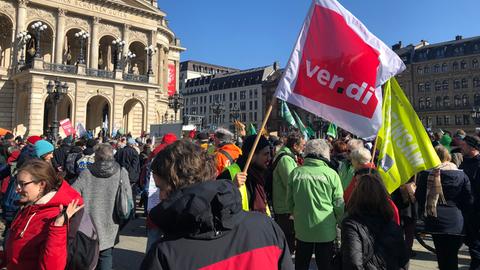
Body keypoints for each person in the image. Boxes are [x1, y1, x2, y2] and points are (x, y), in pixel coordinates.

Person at [141, 140, 293, 269]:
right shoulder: (267, 229)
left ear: (177, 186)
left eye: (161, 188)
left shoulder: (164, 254)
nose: (159, 197)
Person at [5, 159, 84, 269]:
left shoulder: (53, 215)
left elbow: (52, 267)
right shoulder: (29, 207)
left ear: (41, 184)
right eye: (16, 183)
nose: (17, 189)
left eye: (22, 184)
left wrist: (57, 227)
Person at [287, 139, 344, 270]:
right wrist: (338, 220)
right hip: (325, 229)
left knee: (301, 264)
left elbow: (289, 202)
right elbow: (339, 203)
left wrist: (296, 213)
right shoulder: (332, 174)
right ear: (325, 154)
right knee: (325, 265)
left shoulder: (296, 173)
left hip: (302, 229)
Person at [73, 143, 131, 270]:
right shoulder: (122, 172)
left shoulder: (86, 173)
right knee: (106, 255)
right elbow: (128, 200)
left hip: (88, 224)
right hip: (111, 222)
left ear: (96, 157)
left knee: (87, 258)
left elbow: (73, 194)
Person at [416, 145, 473, 270]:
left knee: (442, 256)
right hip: (456, 219)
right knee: (453, 256)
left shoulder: (426, 174)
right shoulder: (461, 175)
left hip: (435, 217)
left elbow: (419, 196)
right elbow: (469, 199)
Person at [341, 173, 409, 270]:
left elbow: (353, 264)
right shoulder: (393, 226)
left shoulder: (351, 225)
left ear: (356, 195)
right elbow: (404, 261)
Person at [217, 135, 272, 214]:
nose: (269, 158)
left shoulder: (261, 174)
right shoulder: (229, 174)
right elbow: (219, 204)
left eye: (269, 154)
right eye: (265, 154)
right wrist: (232, 186)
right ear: (252, 155)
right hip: (239, 224)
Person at [271, 131, 304, 254]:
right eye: (302, 145)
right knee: (288, 244)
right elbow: (291, 183)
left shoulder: (287, 156)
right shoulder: (286, 159)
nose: (303, 147)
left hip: (285, 206)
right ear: (295, 145)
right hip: (284, 207)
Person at [459, 135, 480, 270]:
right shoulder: (465, 161)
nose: (461, 147)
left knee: (476, 245)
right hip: (466, 210)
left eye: (464, 145)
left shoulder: (478, 164)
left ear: (472, 147)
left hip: (476, 211)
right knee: (471, 243)